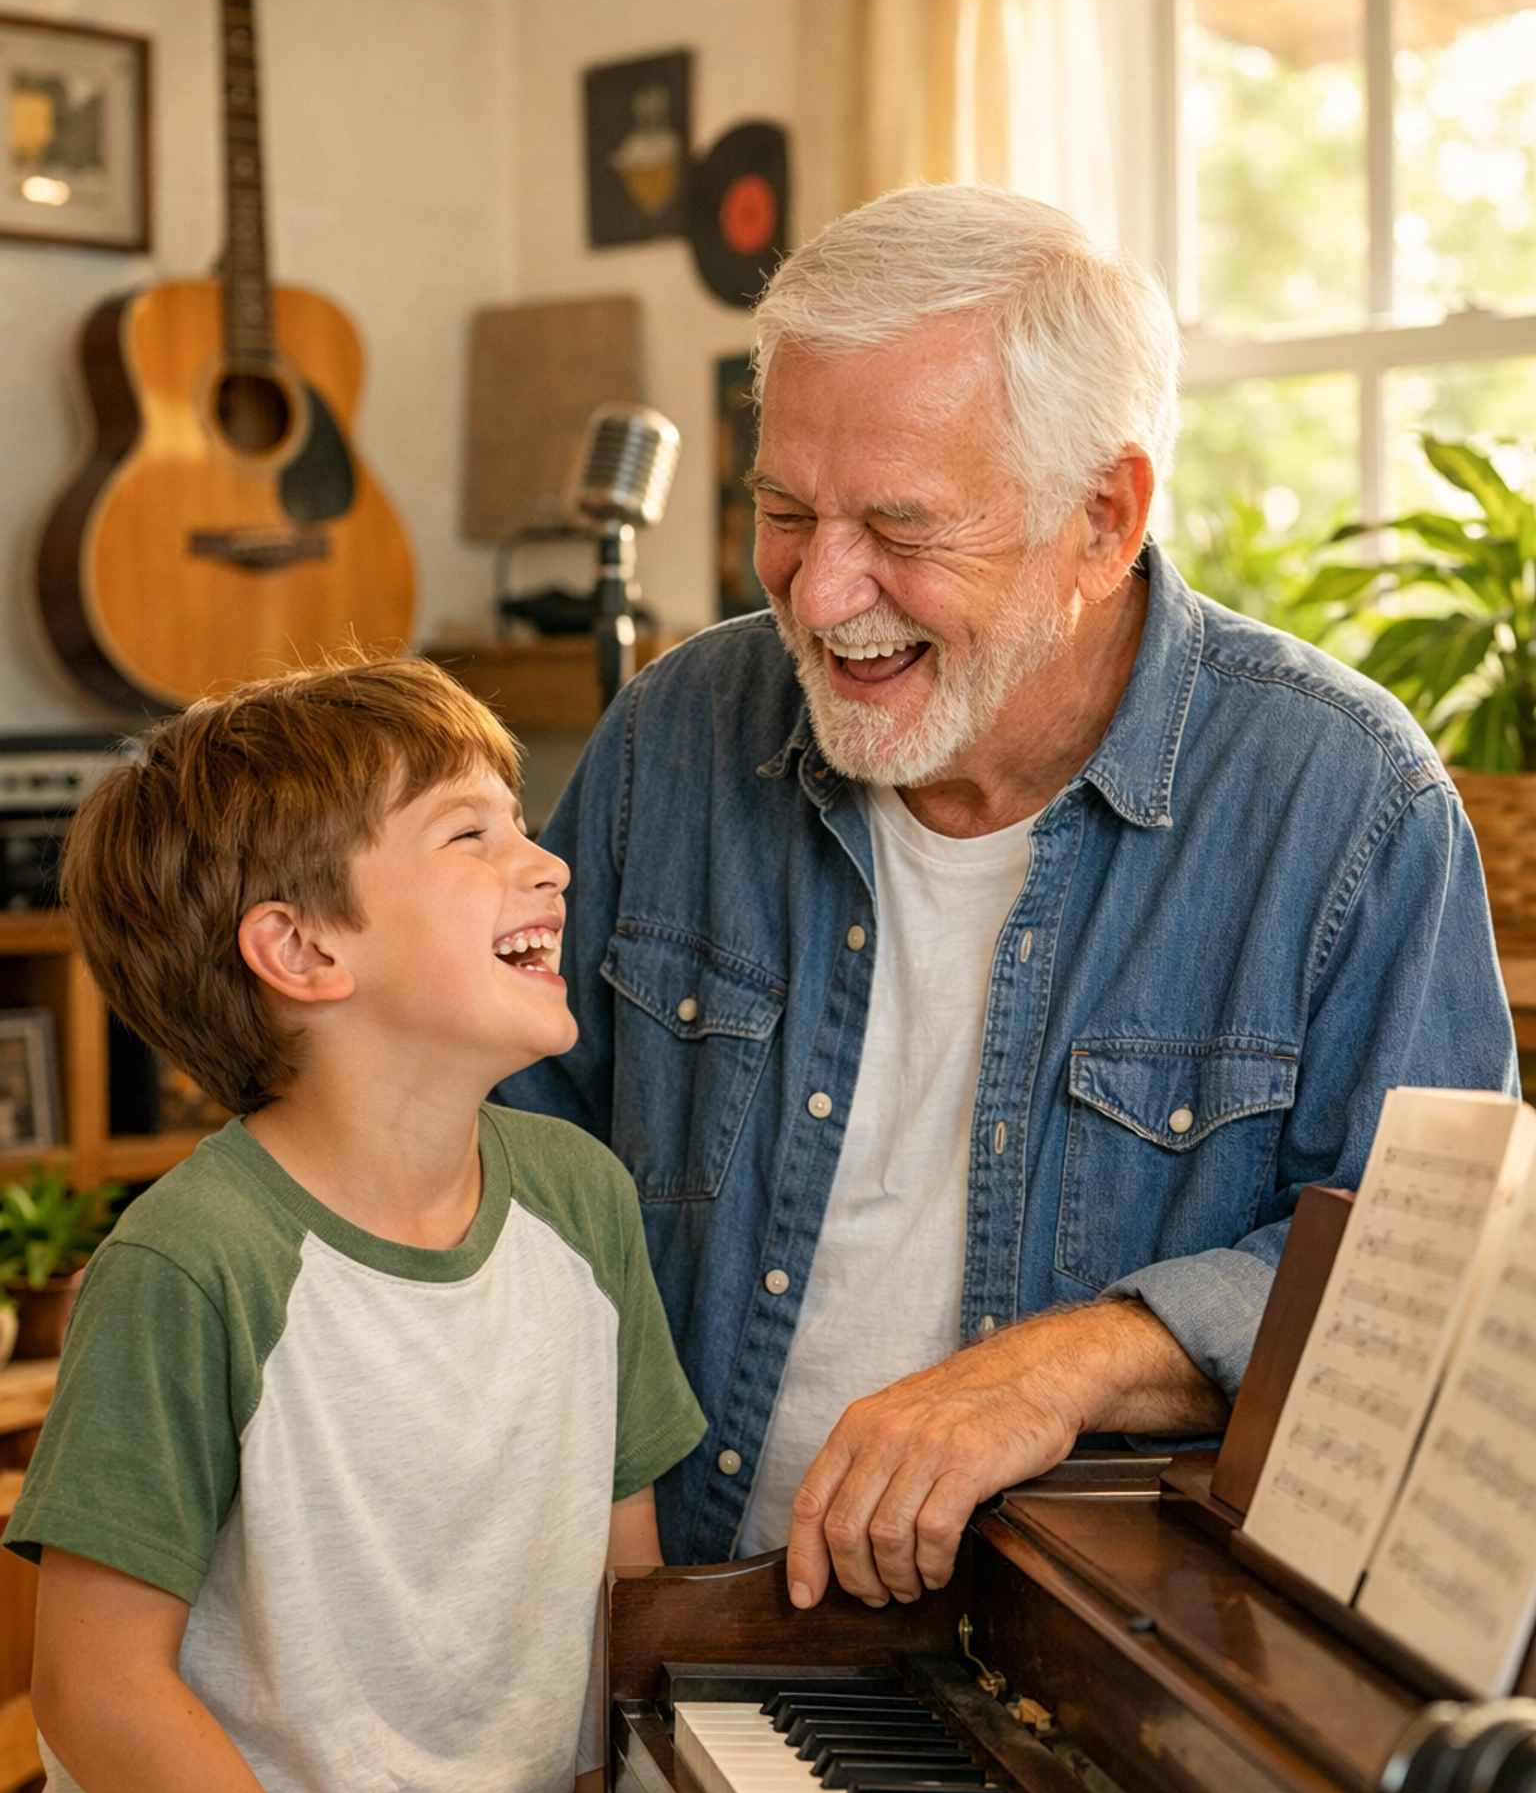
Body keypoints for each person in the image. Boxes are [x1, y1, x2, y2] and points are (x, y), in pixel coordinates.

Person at [496, 181, 1517, 1616]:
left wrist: (1077, 1356)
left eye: (902, 529)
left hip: (1066, 1667)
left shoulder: (1347, 805)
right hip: (658, 1605)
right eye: (786, 511)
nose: (824, 591)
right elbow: (499, 1146)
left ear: (1103, 518)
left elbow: (1425, 1284)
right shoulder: (673, 737)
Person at [5, 661, 771, 1793]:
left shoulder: (581, 1201)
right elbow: (97, 1690)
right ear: (299, 949)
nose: (545, 858)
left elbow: (627, 1611)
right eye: (469, 834)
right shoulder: (192, 1260)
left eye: (523, 824)